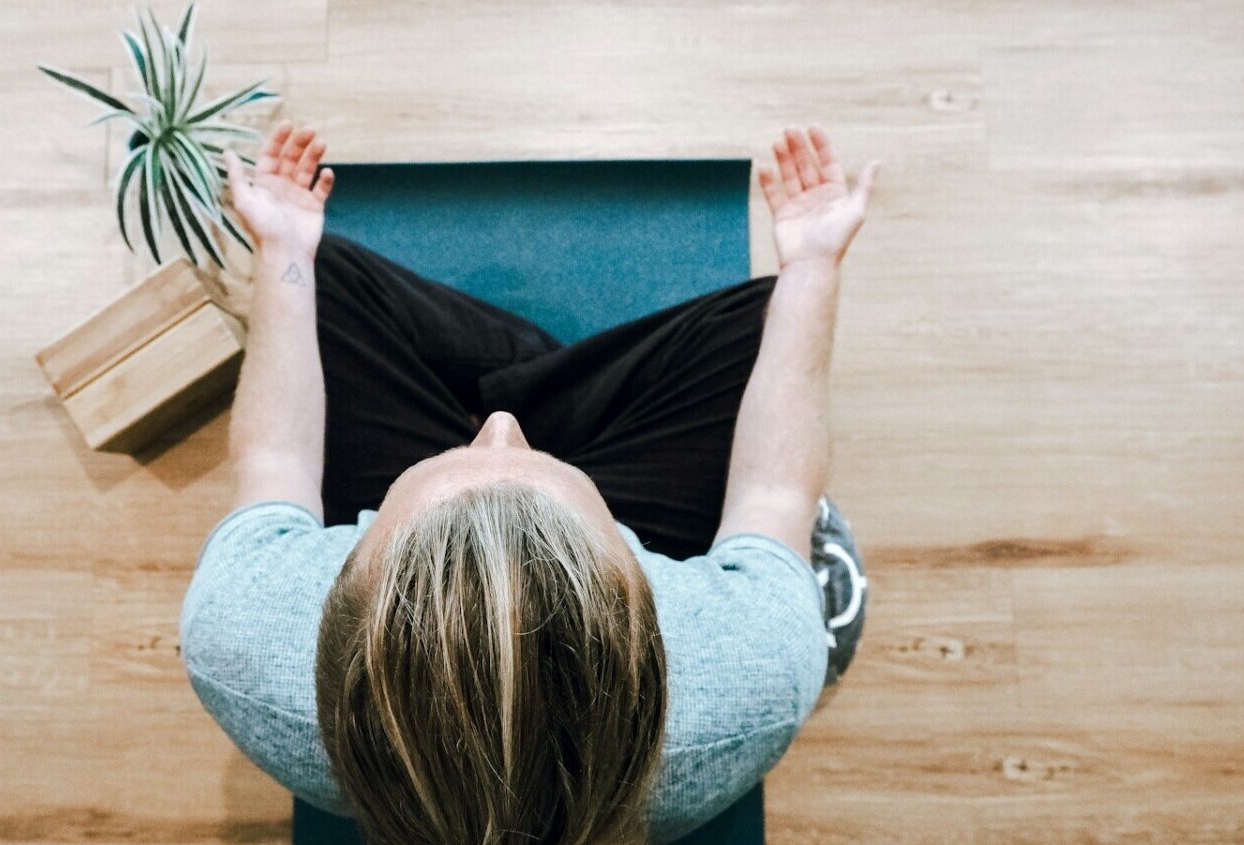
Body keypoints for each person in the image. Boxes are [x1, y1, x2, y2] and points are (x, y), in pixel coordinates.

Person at [180, 119, 876, 845]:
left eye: (466, 451)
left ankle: (529, 373)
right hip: (660, 520)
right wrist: (815, 264)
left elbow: (276, 463)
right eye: (538, 466)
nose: (503, 425)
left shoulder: (245, 635)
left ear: (340, 581)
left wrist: (284, 248)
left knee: (321, 280)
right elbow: (776, 496)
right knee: (760, 323)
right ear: (647, 593)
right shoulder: (745, 676)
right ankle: (556, 383)